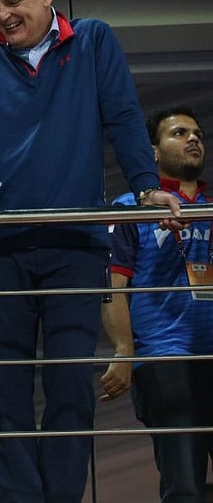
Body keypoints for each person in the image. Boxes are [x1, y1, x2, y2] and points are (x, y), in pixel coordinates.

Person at [0, 0, 185, 502]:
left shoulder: (92, 42)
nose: (1, 15)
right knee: (5, 392)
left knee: (69, 388)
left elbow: (124, 117)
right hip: (0, 249)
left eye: (12, 1)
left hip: (75, 246)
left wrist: (144, 186)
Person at [100, 106, 213, 502]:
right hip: (166, 359)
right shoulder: (130, 205)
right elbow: (112, 283)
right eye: (179, 133)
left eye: (196, 133)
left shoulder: (211, 202)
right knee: (184, 486)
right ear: (152, 152)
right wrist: (123, 350)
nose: (193, 139)